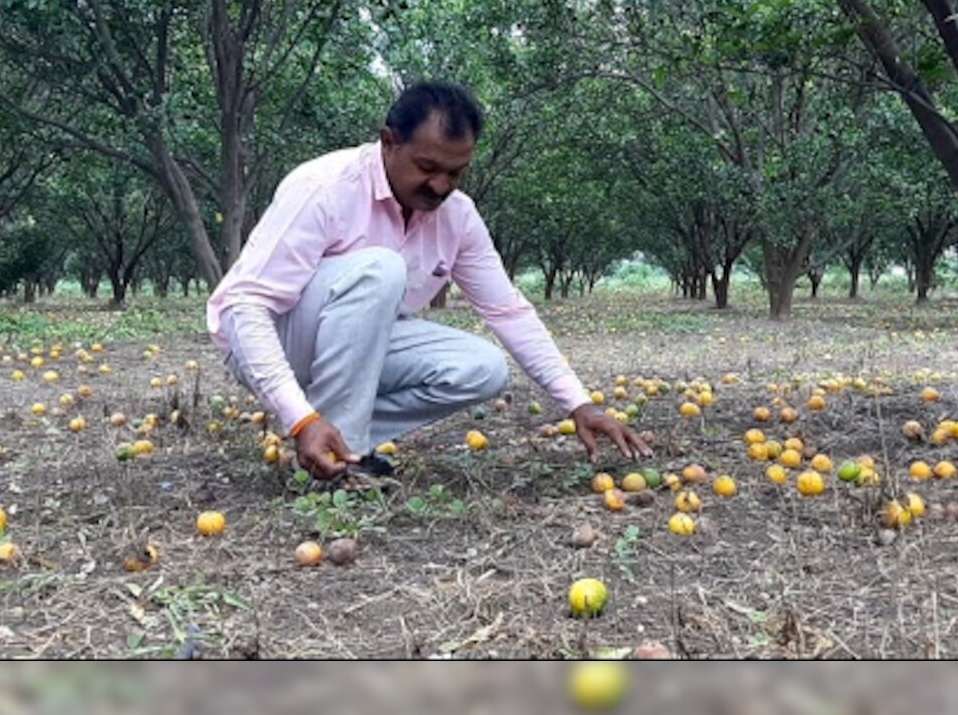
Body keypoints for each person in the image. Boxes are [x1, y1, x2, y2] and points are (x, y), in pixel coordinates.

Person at [207, 81, 653, 480]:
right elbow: (244, 306)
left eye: (455, 173)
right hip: (274, 339)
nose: (440, 185)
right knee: (380, 268)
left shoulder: (457, 217)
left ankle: (336, 440)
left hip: (355, 348)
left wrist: (578, 403)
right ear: (388, 142)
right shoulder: (325, 187)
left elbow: (507, 310)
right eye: (427, 166)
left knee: (482, 369)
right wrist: (298, 416)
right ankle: (341, 456)